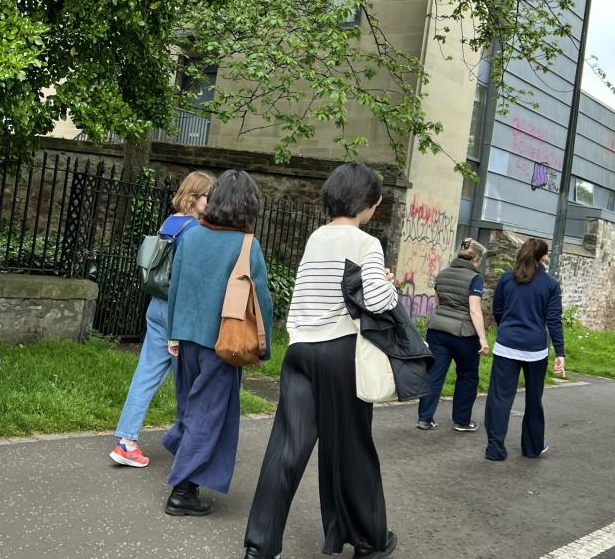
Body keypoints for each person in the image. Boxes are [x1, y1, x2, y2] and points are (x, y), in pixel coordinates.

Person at [243, 163, 399, 559]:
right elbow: (379, 303)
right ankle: (368, 540)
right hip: (340, 352)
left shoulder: (316, 237)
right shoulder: (366, 243)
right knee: (352, 448)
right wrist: (389, 285)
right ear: (366, 202)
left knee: (287, 447)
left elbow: (304, 293)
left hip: (300, 350)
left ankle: (260, 546)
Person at [161, 169, 272, 516]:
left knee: (191, 407)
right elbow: (261, 300)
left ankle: (180, 451)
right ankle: (182, 491)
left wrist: (173, 334)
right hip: (223, 344)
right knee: (209, 414)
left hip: (187, 338)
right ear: (248, 206)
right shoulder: (247, 245)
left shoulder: (191, 237)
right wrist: (262, 347)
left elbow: (175, 287)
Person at [110, 171, 215, 468]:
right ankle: (187, 443)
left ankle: (126, 442)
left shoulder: (169, 222)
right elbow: (189, 279)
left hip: (156, 305)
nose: (212, 202)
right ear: (195, 197)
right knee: (188, 381)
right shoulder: (194, 230)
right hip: (176, 312)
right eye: (209, 196)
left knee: (145, 374)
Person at [484, 238, 565, 461]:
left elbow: (497, 310)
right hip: (535, 350)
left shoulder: (506, 279)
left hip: (506, 347)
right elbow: (554, 321)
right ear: (542, 257)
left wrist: (509, 330)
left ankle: (495, 449)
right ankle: (532, 448)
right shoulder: (550, 285)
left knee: (499, 398)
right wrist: (560, 352)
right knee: (533, 399)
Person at [416, 238, 490, 432]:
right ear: (475, 259)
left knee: (434, 374)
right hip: (463, 334)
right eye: (479, 261)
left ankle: (425, 418)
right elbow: (474, 310)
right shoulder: (475, 278)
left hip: (437, 330)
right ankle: (462, 421)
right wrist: (482, 339)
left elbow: (438, 304)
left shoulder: (442, 274)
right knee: (467, 376)